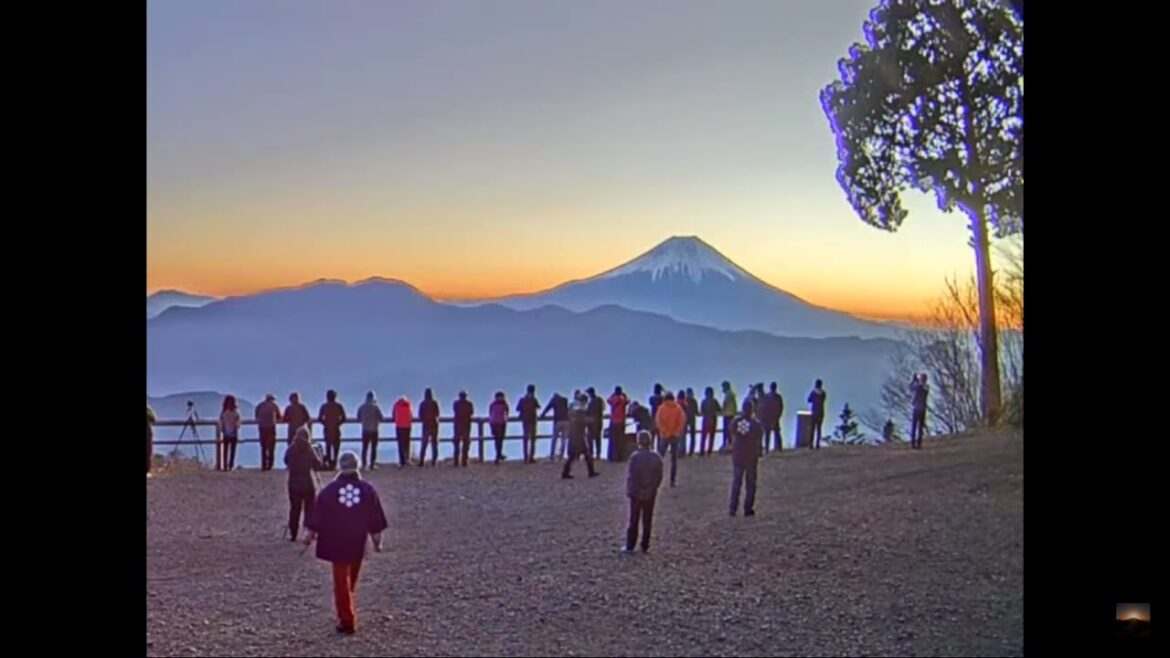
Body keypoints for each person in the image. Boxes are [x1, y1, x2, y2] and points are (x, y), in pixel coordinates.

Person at [303, 452, 388, 635]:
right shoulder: (367, 490)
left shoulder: (329, 491)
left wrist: (308, 537)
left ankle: (347, 619)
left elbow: (317, 517)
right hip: (357, 542)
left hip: (337, 542)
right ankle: (346, 611)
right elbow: (375, 520)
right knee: (350, 580)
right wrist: (377, 542)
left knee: (341, 581)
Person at [621, 431, 664, 555]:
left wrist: (630, 490)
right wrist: (653, 488)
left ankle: (630, 545)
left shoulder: (635, 457)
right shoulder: (656, 457)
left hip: (636, 493)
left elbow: (632, 476)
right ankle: (645, 545)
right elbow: (659, 476)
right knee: (647, 519)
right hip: (650, 492)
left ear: (639, 442)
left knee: (634, 520)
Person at [284, 426, 324, 542]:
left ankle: (293, 533)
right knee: (309, 509)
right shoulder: (309, 449)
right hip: (307, 483)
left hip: (293, 483)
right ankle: (308, 532)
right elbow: (317, 464)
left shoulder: (291, 449)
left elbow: (286, 460)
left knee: (294, 509)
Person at [729, 399, 762, 517]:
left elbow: (731, 432)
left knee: (736, 482)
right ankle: (748, 508)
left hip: (738, 455)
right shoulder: (756, 424)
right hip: (750, 456)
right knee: (751, 483)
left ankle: (732, 508)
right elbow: (759, 438)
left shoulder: (736, 422)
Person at [562, 391, 599, 479]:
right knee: (586, 454)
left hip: (573, 435)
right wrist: (590, 420)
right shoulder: (580, 411)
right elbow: (582, 422)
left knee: (572, 455)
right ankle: (591, 472)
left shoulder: (572, 409)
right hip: (579, 435)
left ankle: (565, 472)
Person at [655, 392, 686, 487]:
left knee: (659, 458)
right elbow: (682, 421)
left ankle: (656, 478)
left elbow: (659, 421)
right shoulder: (678, 408)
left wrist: (664, 431)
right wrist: (676, 432)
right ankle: (672, 481)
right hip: (674, 436)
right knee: (674, 460)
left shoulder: (661, 408)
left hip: (665, 436)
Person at [318, 390, 348, 469]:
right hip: (336, 429)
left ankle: (329, 462)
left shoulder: (324, 406)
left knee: (328, 446)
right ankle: (334, 463)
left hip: (327, 429)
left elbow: (320, 418)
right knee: (336, 446)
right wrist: (338, 423)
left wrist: (326, 423)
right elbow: (344, 418)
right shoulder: (338, 406)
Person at [357, 392, 384, 470]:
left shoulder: (361, 407)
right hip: (374, 430)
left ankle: (364, 464)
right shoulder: (375, 407)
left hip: (365, 429)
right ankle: (372, 464)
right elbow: (381, 417)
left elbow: (358, 418)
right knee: (373, 448)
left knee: (364, 448)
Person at [254, 394, 282, 471]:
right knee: (271, 446)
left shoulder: (260, 405)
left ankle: (263, 464)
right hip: (271, 427)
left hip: (262, 427)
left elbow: (256, 416)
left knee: (263, 446)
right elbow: (279, 416)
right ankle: (270, 465)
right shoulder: (274, 406)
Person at [542, 392, 569, 460]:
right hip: (566, 421)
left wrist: (542, 415)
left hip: (557, 421)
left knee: (554, 438)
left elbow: (548, 408)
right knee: (563, 439)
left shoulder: (554, 400)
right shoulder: (565, 400)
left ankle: (552, 454)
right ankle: (561, 455)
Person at [758, 383, 784, 454]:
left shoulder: (767, 397)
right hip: (774, 417)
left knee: (767, 433)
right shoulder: (778, 397)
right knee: (775, 432)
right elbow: (781, 407)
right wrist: (778, 415)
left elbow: (763, 408)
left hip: (769, 418)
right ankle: (777, 447)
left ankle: (767, 449)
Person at [418, 389, 440, 466]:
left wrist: (424, 419)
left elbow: (420, 415)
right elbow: (437, 413)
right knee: (434, 444)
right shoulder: (434, 403)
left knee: (424, 444)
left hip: (426, 426)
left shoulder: (422, 404)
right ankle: (434, 461)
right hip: (434, 425)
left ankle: (421, 461)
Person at [607, 386, 630, 461]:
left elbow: (608, 400)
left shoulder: (613, 400)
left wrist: (613, 395)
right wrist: (624, 395)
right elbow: (628, 400)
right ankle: (620, 456)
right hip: (621, 422)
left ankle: (611, 456)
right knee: (620, 440)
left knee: (612, 440)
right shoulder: (623, 400)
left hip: (613, 422)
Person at [220, 395, 241, 471]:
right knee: (233, 450)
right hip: (234, 434)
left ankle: (224, 465)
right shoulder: (236, 412)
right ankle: (231, 465)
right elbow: (238, 424)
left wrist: (222, 430)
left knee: (225, 450)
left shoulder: (223, 412)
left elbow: (221, 423)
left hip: (225, 433)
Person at [452, 392, 473, 467]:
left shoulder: (456, 404)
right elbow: (471, 412)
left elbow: (454, 411)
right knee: (466, 444)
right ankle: (464, 461)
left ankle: (456, 461)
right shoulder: (469, 404)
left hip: (457, 425)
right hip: (466, 425)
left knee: (457, 443)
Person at [392, 396, 413, 468]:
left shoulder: (396, 405)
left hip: (399, 426)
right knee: (407, 443)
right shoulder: (408, 404)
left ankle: (402, 461)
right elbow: (411, 415)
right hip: (407, 426)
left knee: (400, 444)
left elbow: (393, 416)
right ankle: (408, 459)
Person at [909, 374, 929, 449]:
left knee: (914, 427)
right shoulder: (926, 387)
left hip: (917, 409)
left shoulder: (918, 387)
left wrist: (914, 381)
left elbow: (910, 388)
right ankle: (919, 444)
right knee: (920, 427)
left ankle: (913, 443)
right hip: (923, 409)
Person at [489, 391, 509, 463]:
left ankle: (498, 455)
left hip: (497, 423)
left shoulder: (493, 405)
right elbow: (507, 412)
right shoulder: (504, 405)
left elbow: (490, 414)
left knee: (499, 440)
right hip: (498, 423)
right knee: (498, 440)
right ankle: (498, 455)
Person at [807, 380, 827, 449]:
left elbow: (809, 400)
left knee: (812, 428)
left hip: (814, 412)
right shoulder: (823, 393)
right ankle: (817, 444)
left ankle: (811, 444)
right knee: (819, 429)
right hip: (821, 412)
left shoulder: (813, 392)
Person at [586, 387, 605, 460]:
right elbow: (603, 409)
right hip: (598, 422)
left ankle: (591, 454)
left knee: (590, 438)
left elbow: (588, 412)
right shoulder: (599, 400)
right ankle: (598, 454)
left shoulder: (591, 402)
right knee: (597, 439)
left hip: (592, 423)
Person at [700, 387, 719, 456]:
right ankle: (709, 452)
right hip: (713, 420)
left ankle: (702, 452)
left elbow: (701, 410)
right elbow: (719, 409)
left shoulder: (704, 401)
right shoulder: (715, 401)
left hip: (705, 420)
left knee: (703, 437)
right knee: (711, 437)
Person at [720, 381, 738, 452]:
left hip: (728, 414)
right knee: (730, 431)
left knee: (727, 431)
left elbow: (725, 404)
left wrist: (722, 410)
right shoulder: (731, 394)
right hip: (731, 414)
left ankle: (727, 446)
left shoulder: (728, 394)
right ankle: (729, 445)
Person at [648, 384, 664, 450]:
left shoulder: (651, 398)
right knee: (659, 436)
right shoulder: (662, 398)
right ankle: (659, 450)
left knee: (652, 435)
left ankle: (651, 449)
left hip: (652, 418)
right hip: (660, 418)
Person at [684, 388, 698, 456]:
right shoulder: (693, 401)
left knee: (684, 436)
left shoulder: (685, 400)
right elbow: (696, 411)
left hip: (686, 420)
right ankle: (690, 452)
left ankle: (686, 451)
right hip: (691, 419)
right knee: (691, 436)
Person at [147, 403, 157, 477]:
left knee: (148, 452)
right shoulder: (148, 409)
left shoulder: (148, 409)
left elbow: (154, 419)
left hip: (147, 432)